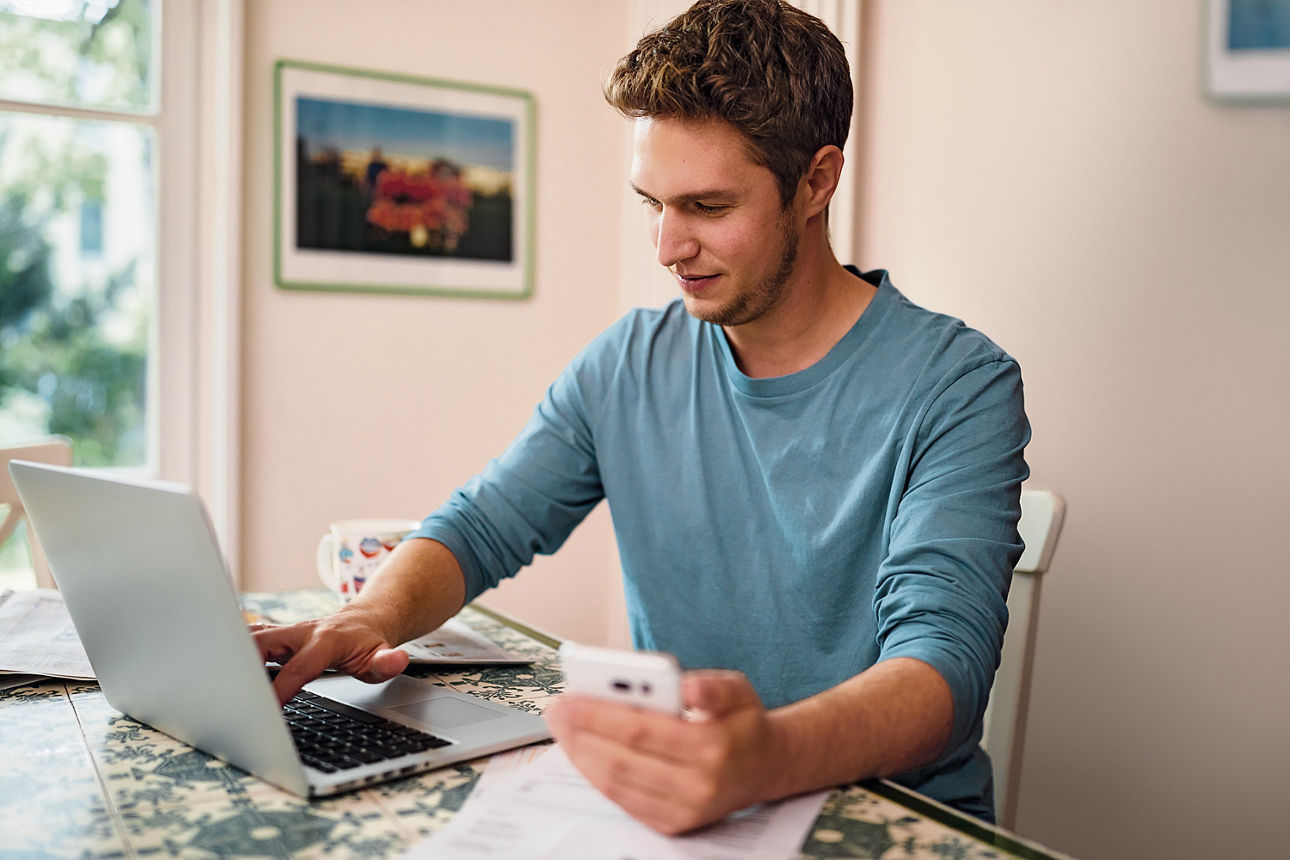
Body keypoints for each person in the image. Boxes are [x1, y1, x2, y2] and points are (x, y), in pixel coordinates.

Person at [254, 0, 1029, 834]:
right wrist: (365, 618)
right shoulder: (630, 361)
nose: (666, 247)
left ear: (817, 180)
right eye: (651, 202)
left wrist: (762, 757)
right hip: (686, 815)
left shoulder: (960, 385)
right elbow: (480, 526)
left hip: (889, 819)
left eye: (706, 206)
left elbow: (942, 668)